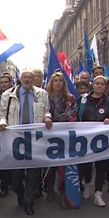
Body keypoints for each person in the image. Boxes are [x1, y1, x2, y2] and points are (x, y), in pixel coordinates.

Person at [0, 70, 52, 215]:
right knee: (16, 175)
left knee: (33, 173)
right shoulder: (8, 95)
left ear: (34, 80)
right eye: (25, 77)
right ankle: (20, 194)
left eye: (30, 78)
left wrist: (47, 118)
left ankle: (29, 202)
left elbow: (47, 111)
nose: (27, 80)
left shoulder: (42, 94)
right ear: (20, 79)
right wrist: (2, 122)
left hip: (34, 138)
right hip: (15, 138)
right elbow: (1, 114)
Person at [77, 76, 109, 207]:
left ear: (105, 87)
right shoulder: (83, 100)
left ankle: (98, 193)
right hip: (85, 137)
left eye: (102, 84)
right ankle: (87, 184)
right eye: (97, 83)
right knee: (86, 165)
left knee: (100, 165)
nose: (99, 86)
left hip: (102, 138)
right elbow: (76, 116)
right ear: (92, 85)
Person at [44, 72, 76, 207]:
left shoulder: (70, 98)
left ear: (64, 83)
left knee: (62, 165)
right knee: (49, 164)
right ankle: (49, 188)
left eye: (60, 81)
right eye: (55, 81)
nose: (58, 83)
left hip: (64, 135)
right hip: (48, 135)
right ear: (51, 83)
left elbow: (72, 115)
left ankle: (64, 193)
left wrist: (59, 119)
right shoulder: (44, 97)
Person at [0, 73, 14, 197]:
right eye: (1, 82)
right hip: (2, 132)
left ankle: (14, 183)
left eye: (5, 82)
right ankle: (4, 186)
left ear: (10, 83)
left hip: (13, 131)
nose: (3, 84)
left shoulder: (15, 94)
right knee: (3, 160)